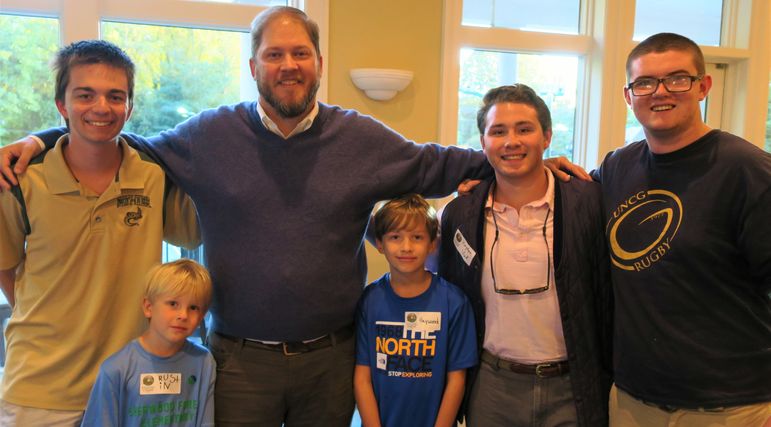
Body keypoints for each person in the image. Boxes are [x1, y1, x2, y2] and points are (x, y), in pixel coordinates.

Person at [0, 6, 588, 425]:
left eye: (299, 53)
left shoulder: (362, 139)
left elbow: (442, 162)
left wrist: (529, 157)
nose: (288, 64)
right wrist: (46, 136)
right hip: (236, 360)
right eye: (274, 54)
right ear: (253, 64)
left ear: (319, 62)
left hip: (330, 360)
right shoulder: (207, 135)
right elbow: (118, 139)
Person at [0, 40, 199, 426]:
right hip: (41, 390)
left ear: (130, 106)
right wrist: (43, 310)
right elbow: (4, 264)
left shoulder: (153, 176)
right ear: (61, 105)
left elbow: (191, 235)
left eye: (115, 96)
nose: (101, 108)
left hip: (133, 385)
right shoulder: (22, 180)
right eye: (85, 95)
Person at [594, 33, 771, 426]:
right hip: (633, 400)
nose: (660, 92)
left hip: (730, 405)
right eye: (645, 83)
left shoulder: (747, 170)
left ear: (703, 86)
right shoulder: (617, 167)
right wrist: (488, 177)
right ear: (628, 95)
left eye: (677, 79)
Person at [438, 84, 613, 426]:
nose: (511, 141)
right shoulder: (460, 213)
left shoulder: (590, 203)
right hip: (491, 386)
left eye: (524, 129)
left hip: (573, 384)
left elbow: (609, 294)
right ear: (483, 142)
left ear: (546, 137)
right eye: (498, 131)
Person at [354, 194, 477, 427]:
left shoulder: (454, 303)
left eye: (417, 237)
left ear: (432, 243)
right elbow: (362, 378)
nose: (406, 247)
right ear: (379, 243)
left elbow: (456, 380)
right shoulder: (369, 301)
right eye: (395, 237)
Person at [81, 259, 216, 427]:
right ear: (148, 307)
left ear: (202, 315)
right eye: (173, 304)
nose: (183, 315)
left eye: (193, 307)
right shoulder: (115, 369)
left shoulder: (203, 362)